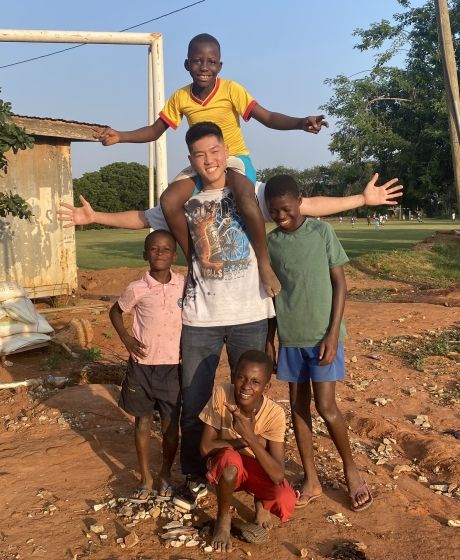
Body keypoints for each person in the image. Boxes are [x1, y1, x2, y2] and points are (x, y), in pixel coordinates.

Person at [59, 121, 402, 501]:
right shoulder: (185, 200)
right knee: (194, 399)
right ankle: (194, 472)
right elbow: (142, 217)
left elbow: (306, 205)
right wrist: (95, 217)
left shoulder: (250, 192)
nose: (209, 160)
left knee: (252, 398)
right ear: (191, 160)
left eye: (215, 151)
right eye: (200, 155)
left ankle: (259, 473)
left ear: (226, 152)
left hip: (250, 316)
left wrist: (360, 200)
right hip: (200, 319)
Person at [97, 33, 327, 298]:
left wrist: (301, 122)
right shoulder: (180, 97)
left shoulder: (231, 90)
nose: (204, 67)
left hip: (232, 157)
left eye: (211, 61)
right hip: (202, 162)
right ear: (186, 65)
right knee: (169, 201)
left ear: (219, 66)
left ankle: (264, 265)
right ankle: (195, 262)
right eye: (197, 61)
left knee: (245, 197)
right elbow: (154, 130)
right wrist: (121, 136)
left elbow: (268, 117)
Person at [264, 175, 373, 513]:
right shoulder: (271, 244)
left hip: (324, 336)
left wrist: (332, 332)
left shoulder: (321, 232)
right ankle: (311, 478)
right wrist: (270, 339)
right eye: (274, 211)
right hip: (291, 337)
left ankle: (351, 471)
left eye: (286, 209)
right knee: (298, 406)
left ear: (300, 201)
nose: (281, 216)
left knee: (326, 407)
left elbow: (340, 284)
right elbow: (269, 295)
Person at [109, 230, 185, 502]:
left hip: (173, 367)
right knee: (142, 422)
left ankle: (165, 473)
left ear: (174, 255)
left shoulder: (184, 285)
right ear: (145, 254)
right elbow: (115, 311)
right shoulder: (137, 288)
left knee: (169, 426)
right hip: (142, 367)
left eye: (166, 249)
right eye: (154, 249)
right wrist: (127, 339)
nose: (160, 253)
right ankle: (145, 477)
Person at [199, 350, 296, 552]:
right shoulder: (222, 394)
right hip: (228, 468)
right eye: (241, 377)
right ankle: (223, 519)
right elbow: (206, 448)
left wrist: (251, 437)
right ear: (234, 376)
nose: (246, 386)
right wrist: (245, 441)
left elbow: (277, 474)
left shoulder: (274, 414)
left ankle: (261, 503)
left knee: (285, 497)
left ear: (266, 386)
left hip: (254, 469)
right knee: (229, 458)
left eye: (255, 382)